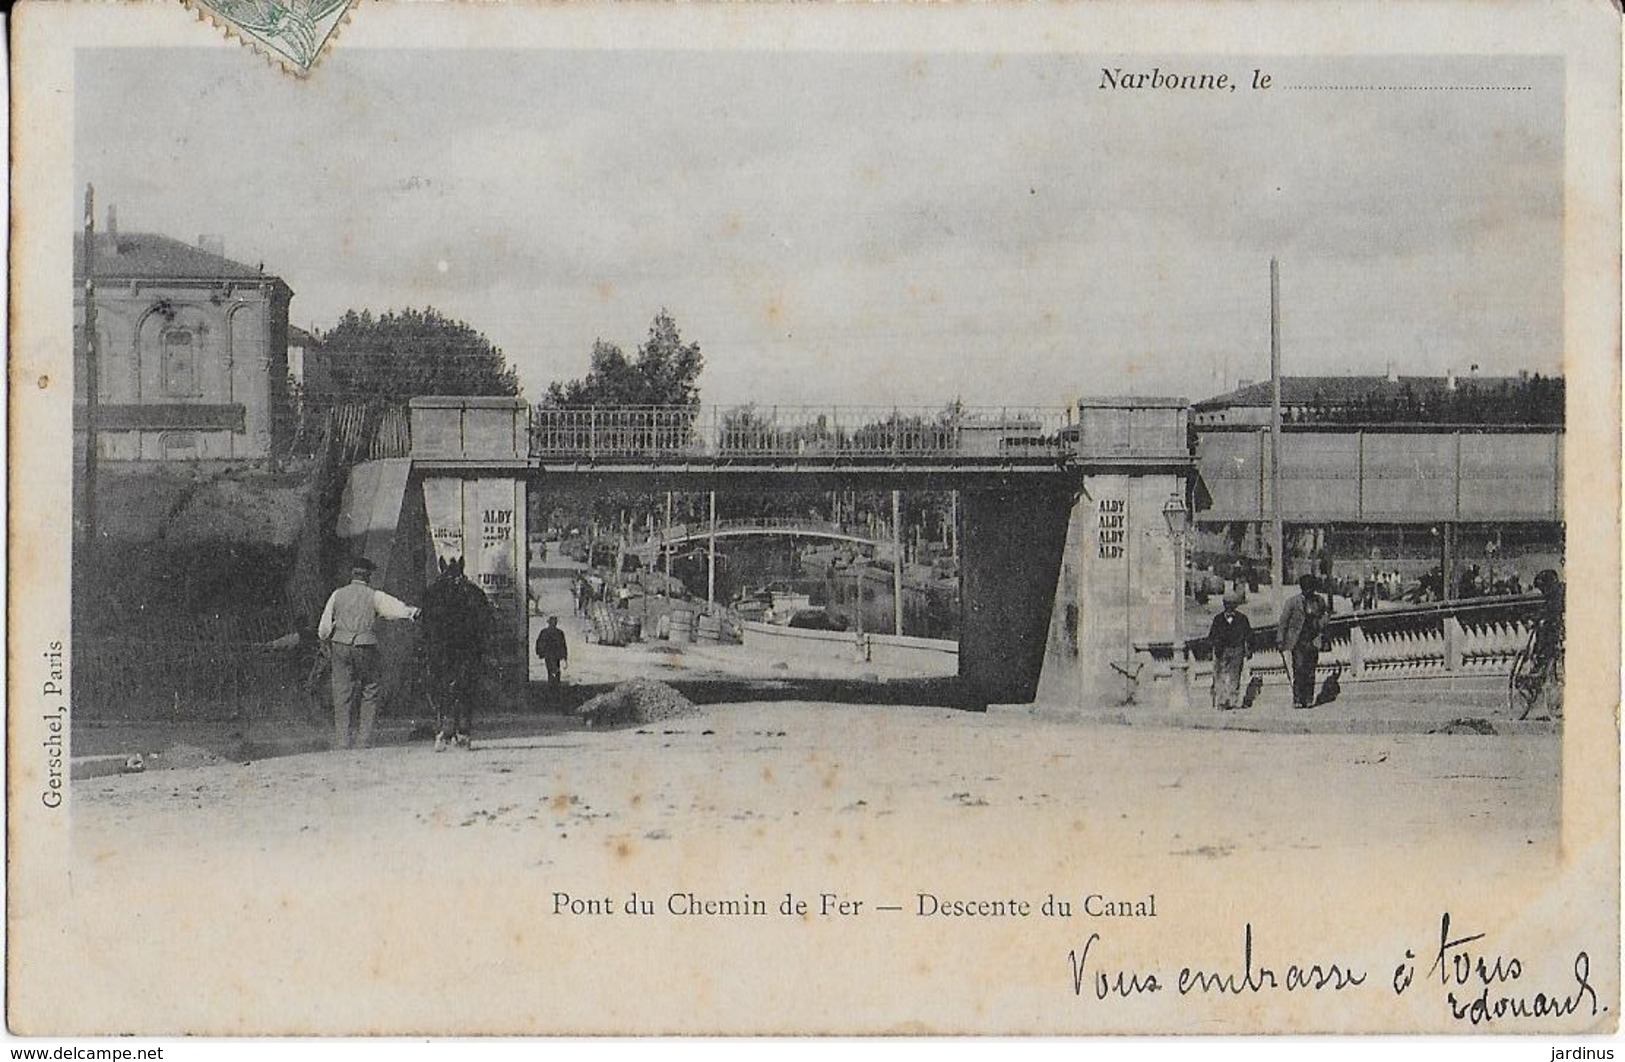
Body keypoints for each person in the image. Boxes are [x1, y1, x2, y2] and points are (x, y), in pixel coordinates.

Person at [318, 556, 421, 750]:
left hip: (340, 646)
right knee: (370, 689)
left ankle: (342, 740)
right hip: (366, 646)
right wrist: (412, 612)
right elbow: (396, 609)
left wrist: (327, 639)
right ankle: (363, 740)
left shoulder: (337, 594)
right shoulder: (374, 596)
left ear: (352, 574)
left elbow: (323, 628)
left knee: (341, 693)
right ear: (368, 577)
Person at [1277, 574, 1328, 710]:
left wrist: (1321, 624)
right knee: (1298, 669)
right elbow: (1283, 622)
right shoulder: (1292, 602)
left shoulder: (1319, 601)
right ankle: (1298, 698)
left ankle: (1309, 698)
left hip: (1313, 640)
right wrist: (1280, 639)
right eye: (1306, 589)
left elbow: (1325, 615)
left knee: (1311, 670)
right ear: (1302, 588)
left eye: (1311, 589)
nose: (1309, 591)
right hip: (1297, 641)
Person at [1206, 589, 1253, 711]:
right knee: (1220, 675)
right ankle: (1222, 700)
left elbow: (1248, 635)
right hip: (1221, 650)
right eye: (1227, 604)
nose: (1230, 607)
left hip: (1237, 650)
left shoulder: (1242, 619)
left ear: (1236, 605)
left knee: (1235, 676)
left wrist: (1248, 650)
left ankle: (1232, 701)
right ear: (1224, 604)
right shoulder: (1218, 619)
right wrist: (1213, 648)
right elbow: (1211, 636)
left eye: (1232, 604)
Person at [535, 615, 569, 693]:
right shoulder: (559, 632)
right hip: (555, 655)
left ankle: (553, 684)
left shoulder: (544, 632)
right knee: (554, 668)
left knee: (551, 669)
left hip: (549, 654)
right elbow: (563, 645)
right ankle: (555, 684)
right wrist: (565, 656)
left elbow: (539, 643)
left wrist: (539, 652)